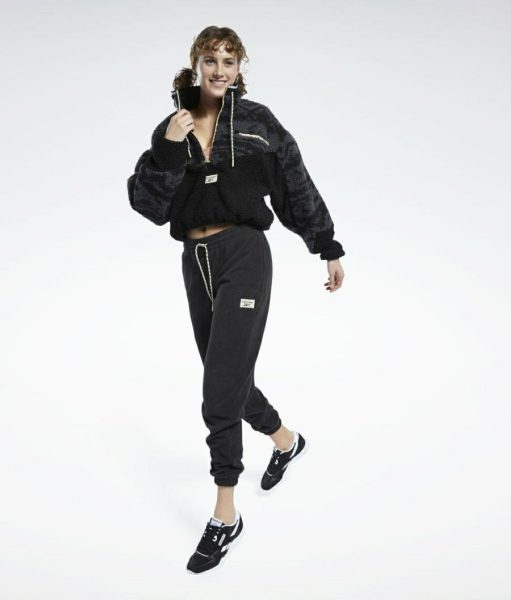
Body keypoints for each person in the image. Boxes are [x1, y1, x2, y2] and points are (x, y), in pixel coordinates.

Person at [127, 26, 346, 574]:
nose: (220, 70)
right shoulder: (172, 127)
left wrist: (326, 245)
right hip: (194, 260)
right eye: (211, 60)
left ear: (240, 67)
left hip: (244, 253)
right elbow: (148, 204)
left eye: (229, 60)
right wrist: (168, 148)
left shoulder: (256, 124)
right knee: (228, 374)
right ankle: (286, 440)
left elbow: (295, 184)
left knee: (218, 387)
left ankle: (225, 513)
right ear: (196, 64)